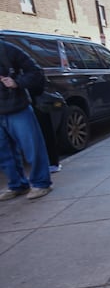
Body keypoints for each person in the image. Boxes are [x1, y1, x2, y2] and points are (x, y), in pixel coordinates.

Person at [0, 40, 53, 200]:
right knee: (4, 152)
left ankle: (41, 183)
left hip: (17, 107)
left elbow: (36, 72)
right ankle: (17, 185)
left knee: (32, 147)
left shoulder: (8, 49)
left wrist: (17, 82)